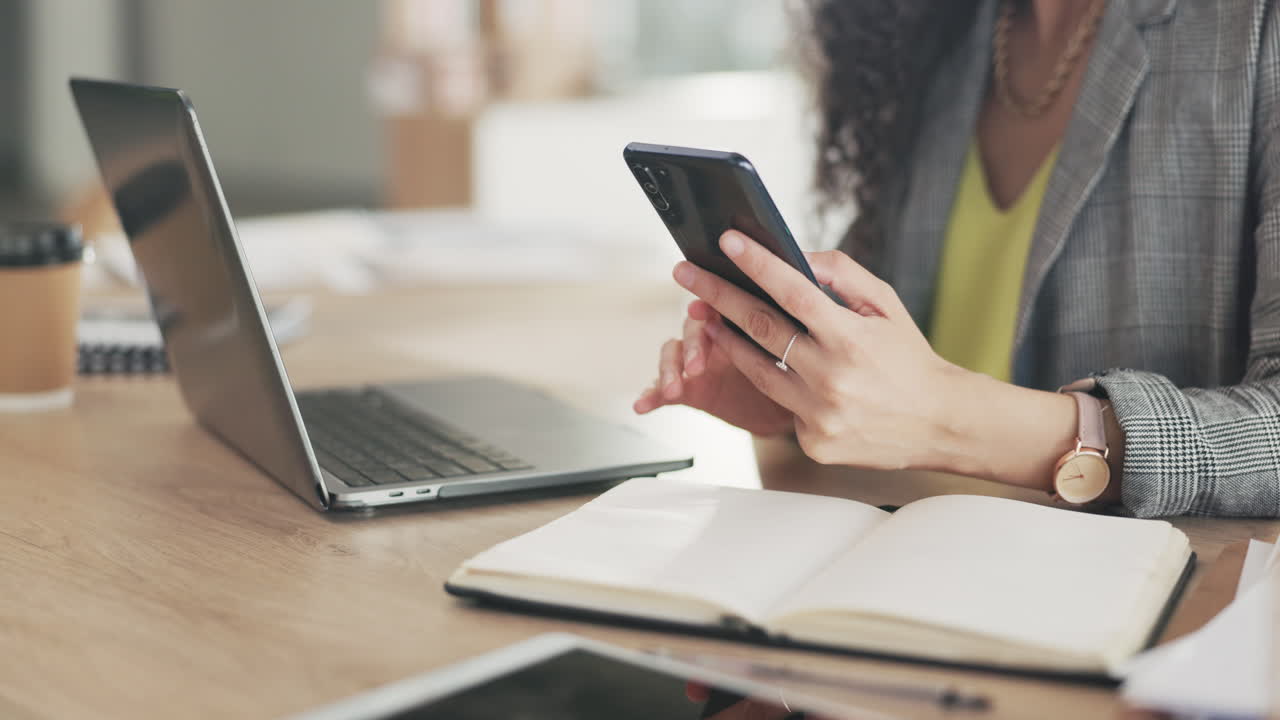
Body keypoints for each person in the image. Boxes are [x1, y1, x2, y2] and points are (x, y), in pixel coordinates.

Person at [634, 0, 1280, 518]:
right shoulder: (931, 35)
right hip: (911, 595)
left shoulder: (1251, 26)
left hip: (1146, 625)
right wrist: (795, 394)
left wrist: (950, 419)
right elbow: (886, 374)